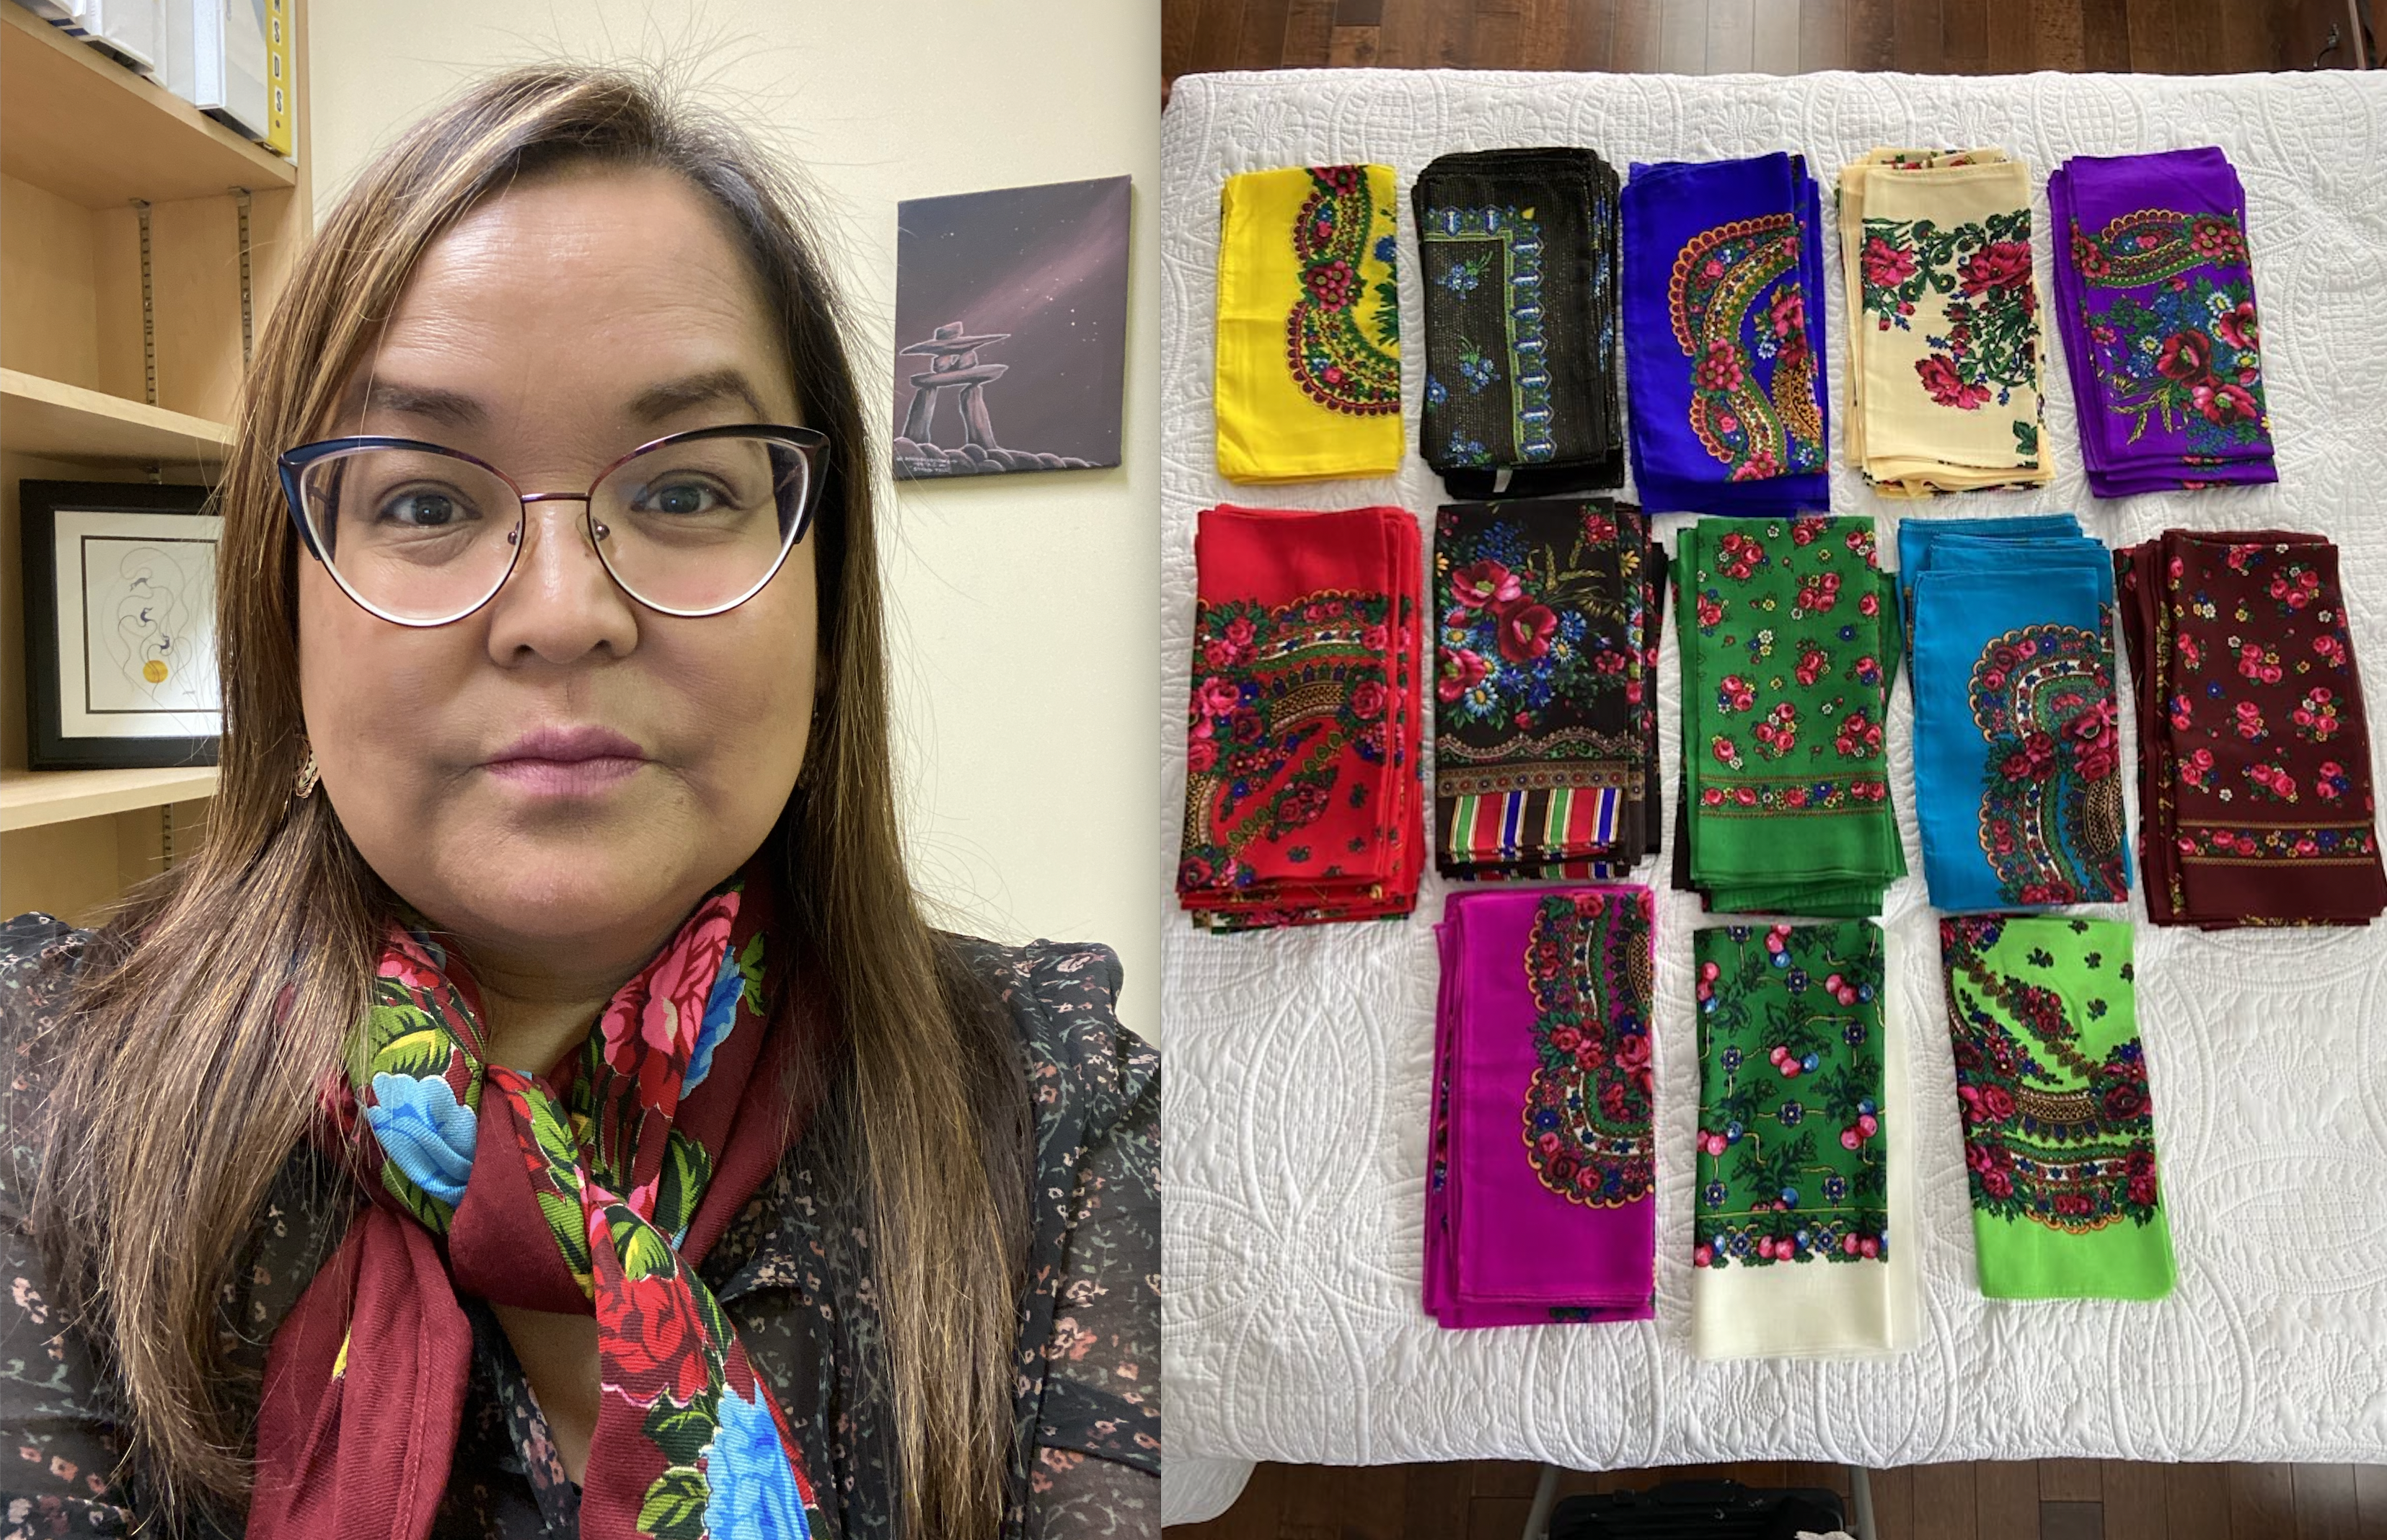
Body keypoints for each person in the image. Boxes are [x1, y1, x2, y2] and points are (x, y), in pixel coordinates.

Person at [0, 66, 1156, 1540]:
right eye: (423, 501)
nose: (561, 613)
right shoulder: (44, 1096)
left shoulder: (1057, 1129)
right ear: (283, 600)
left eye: (683, 494)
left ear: (825, 587)